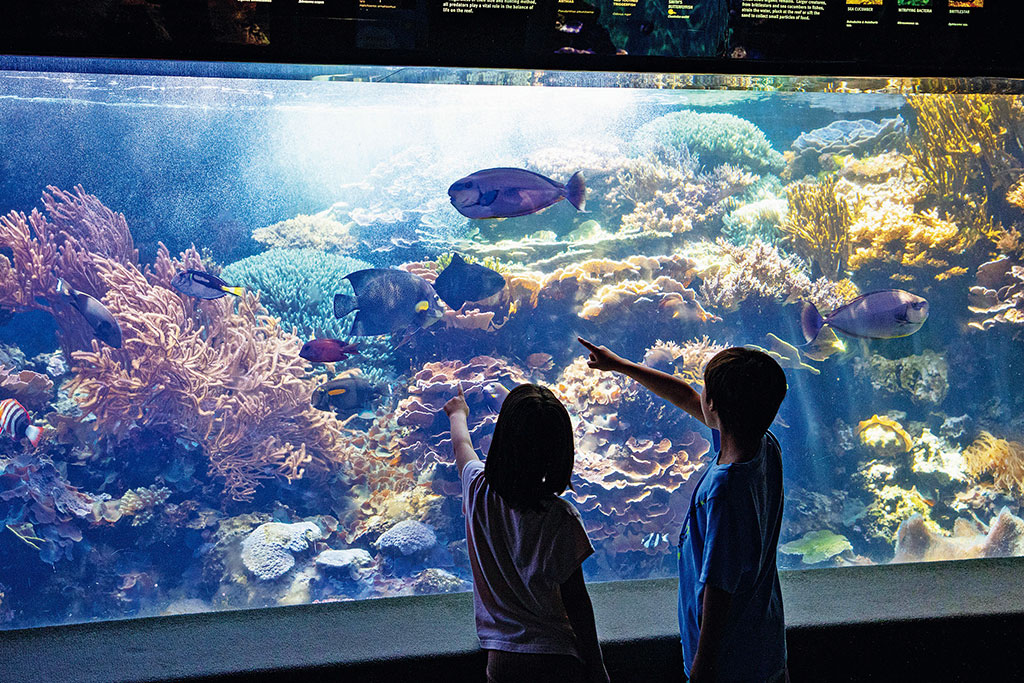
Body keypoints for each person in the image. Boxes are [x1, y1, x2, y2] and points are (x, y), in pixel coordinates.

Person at [578, 338, 788, 683]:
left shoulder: (724, 492)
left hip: (727, 664)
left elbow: (717, 594)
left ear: (714, 406)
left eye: (704, 391)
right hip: (763, 642)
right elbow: (688, 398)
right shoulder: (765, 446)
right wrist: (621, 365)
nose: (698, 396)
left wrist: (703, 670)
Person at [443, 382, 610, 683]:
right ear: (560, 451)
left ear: (501, 439)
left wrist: (458, 413)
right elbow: (577, 602)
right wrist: (597, 668)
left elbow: (462, 447)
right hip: (555, 658)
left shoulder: (477, 488)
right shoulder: (561, 517)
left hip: (501, 661)